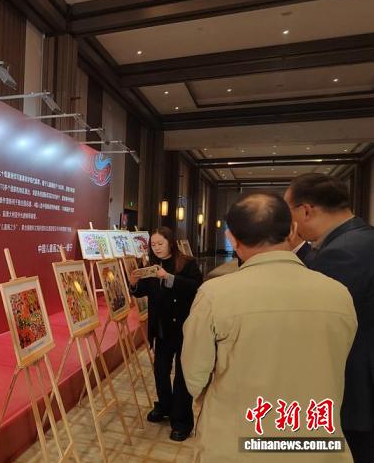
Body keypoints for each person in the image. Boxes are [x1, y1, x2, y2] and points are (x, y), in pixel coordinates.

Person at [182, 192, 356, 462]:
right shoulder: (338, 293)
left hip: (236, 441)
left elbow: (194, 375)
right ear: (293, 230)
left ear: (231, 238)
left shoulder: (215, 295)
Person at [285, 173, 374, 463]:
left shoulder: (342, 253)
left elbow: (317, 326)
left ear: (305, 211)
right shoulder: (362, 238)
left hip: (358, 391)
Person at [129, 227, 203, 441]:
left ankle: (182, 421)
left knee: (182, 375)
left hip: (183, 327)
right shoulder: (150, 266)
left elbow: (196, 287)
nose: (157, 248)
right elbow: (142, 291)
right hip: (161, 328)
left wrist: (169, 278)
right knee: (160, 371)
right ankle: (164, 406)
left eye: (160, 243)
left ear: (170, 242)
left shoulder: (187, 263)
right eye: (153, 245)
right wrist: (134, 283)